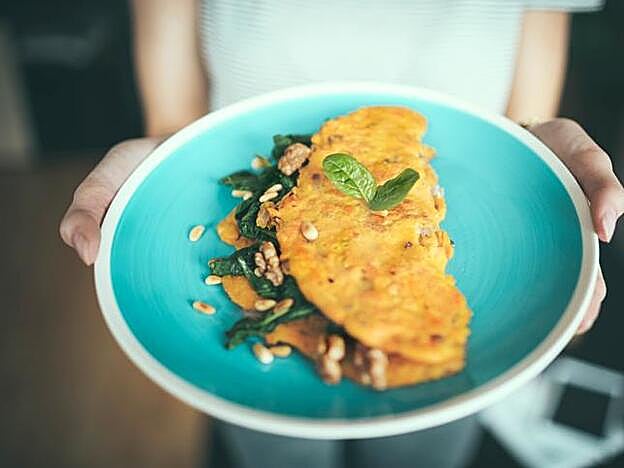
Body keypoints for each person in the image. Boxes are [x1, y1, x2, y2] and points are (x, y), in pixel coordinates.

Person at [59, 1, 624, 467]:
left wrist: (544, 172)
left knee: (425, 447)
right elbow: (174, 123)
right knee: (277, 449)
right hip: (259, 208)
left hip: (448, 267)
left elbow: (521, 130)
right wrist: (158, 164)